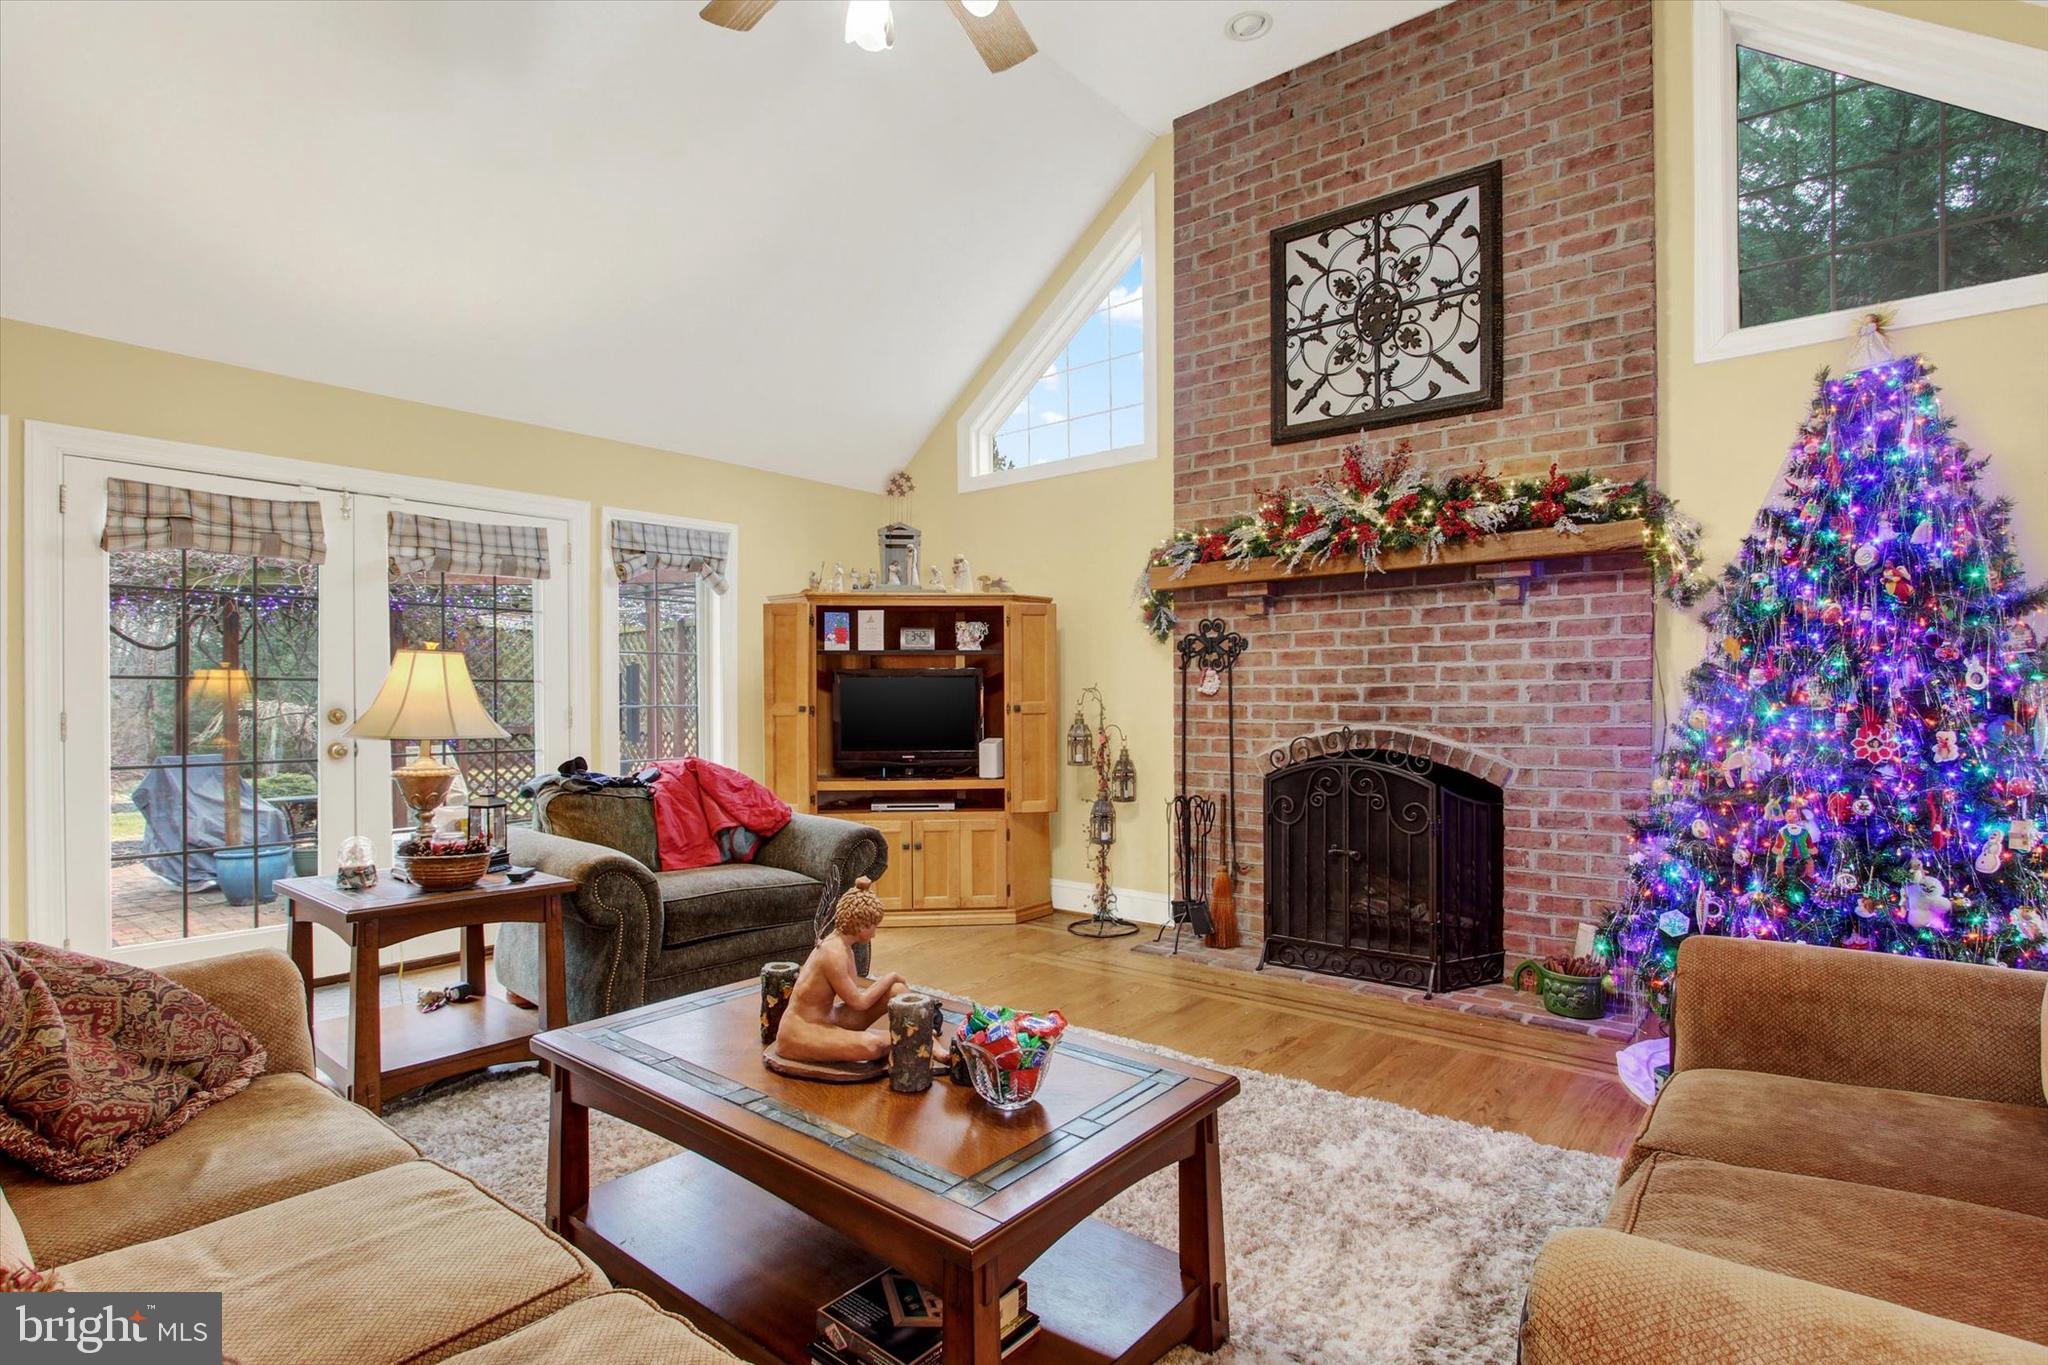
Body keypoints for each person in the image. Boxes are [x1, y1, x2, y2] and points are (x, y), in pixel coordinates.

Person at [775, 877, 906, 1063]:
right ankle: (909, 1038)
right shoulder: (833, 953)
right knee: (872, 1045)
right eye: (873, 927)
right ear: (861, 925)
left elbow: (853, 996)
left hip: (829, 1017)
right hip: (804, 1029)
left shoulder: (845, 947)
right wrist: (890, 976)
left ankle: (915, 1037)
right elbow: (859, 1003)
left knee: (897, 992)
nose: (875, 934)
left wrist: (891, 984)